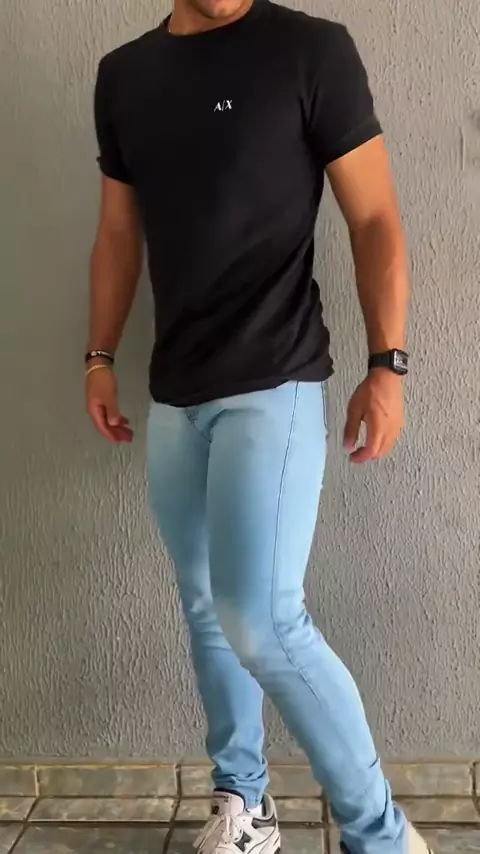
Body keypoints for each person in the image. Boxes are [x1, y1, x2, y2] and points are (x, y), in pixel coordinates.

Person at [86, 0, 433, 852]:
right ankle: (245, 807)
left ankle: (383, 836)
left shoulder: (310, 52)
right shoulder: (124, 76)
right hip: (175, 392)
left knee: (265, 620)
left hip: (273, 380)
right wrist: (98, 356)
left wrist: (387, 366)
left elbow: (375, 219)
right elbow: (119, 232)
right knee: (207, 608)